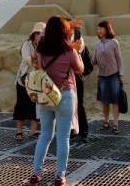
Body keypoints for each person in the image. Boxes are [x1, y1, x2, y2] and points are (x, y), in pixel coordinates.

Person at [29, 16, 84, 186]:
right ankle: (59, 176)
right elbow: (80, 69)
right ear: (64, 31)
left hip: (46, 95)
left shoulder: (41, 48)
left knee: (45, 136)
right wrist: (78, 51)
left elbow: (43, 34)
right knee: (63, 138)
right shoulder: (69, 51)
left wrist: (62, 25)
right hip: (64, 95)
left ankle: (36, 173)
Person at [13, 22, 45, 141]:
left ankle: (33, 131)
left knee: (35, 106)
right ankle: (19, 131)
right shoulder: (26, 44)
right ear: (33, 34)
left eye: (42, 34)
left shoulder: (46, 46)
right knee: (21, 105)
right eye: (37, 33)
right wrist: (37, 49)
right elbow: (28, 59)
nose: (39, 36)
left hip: (37, 80)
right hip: (24, 79)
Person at [93, 20, 124, 135]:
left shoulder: (114, 43)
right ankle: (106, 122)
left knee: (115, 100)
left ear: (107, 29)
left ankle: (115, 124)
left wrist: (121, 74)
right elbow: (94, 61)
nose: (99, 30)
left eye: (101, 28)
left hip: (113, 75)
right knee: (104, 100)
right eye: (98, 28)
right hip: (102, 76)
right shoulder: (97, 45)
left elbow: (119, 59)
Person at [70, 27, 91, 142]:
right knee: (71, 106)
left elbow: (85, 64)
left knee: (78, 105)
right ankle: (75, 131)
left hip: (75, 79)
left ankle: (82, 131)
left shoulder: (79, 42)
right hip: (71, 79)